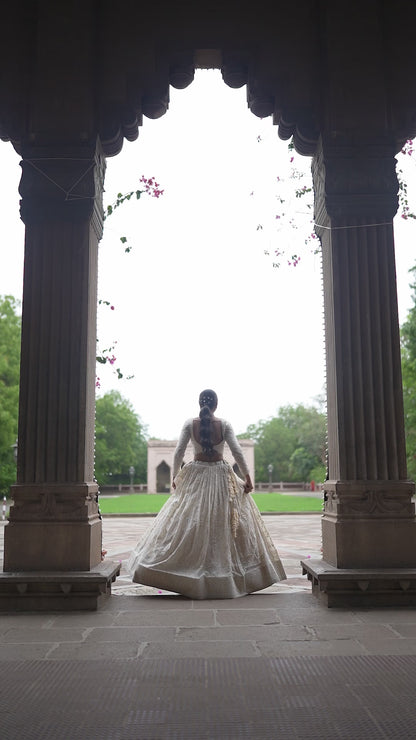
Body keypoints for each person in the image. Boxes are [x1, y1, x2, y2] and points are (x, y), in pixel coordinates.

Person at [127, 389, 286, 599]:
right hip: (220, 475)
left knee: (191, 521)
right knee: (222, 524)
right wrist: (247, 478)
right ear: (216, 405)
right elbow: (237, 452)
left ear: (199, 403)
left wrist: (176, 477)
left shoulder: (189, 424)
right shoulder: (224, 424)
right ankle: (225, 576)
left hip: (196, 474)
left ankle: (186, 573)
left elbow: (178, 453)